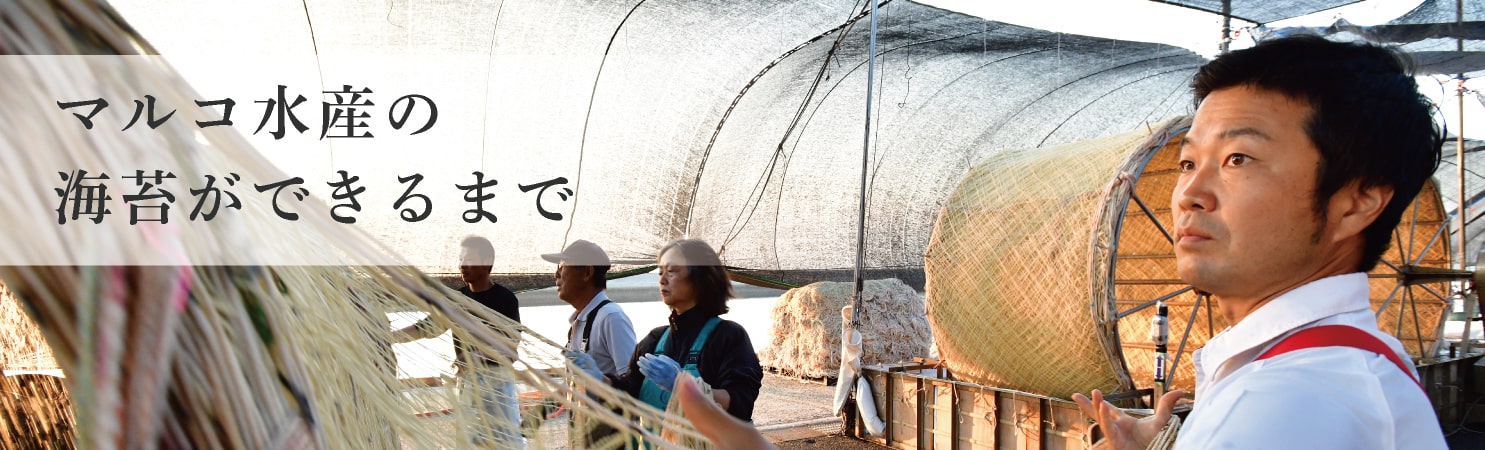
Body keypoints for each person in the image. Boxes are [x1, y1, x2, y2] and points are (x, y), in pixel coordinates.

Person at [1071, 35, 1446, 449]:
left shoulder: (1279, 404)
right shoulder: (1361, 362)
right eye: (1188, 162)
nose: (1189, 194)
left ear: (1355, 205)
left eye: (1239, 158)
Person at [611, 239, 764, 424]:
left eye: (672, 271)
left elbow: (741, 401)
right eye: (660, 272)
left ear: (700, 277)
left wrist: (684, 386)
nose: (662, 279)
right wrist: (598, 380)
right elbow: (628, 391)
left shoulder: (728, 336)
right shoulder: (654, 340)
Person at [392, 235, 524, 448]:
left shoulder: (505, 299)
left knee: (504, 443)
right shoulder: (456, 300)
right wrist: (388, 337)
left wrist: (477, 356)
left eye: (469, 260)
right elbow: (427, 327)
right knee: (469, 443)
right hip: (468, 385)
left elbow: (511, 350)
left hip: (497, 386)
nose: (462, 266)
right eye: (461, 260)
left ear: (487, 263)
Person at [542, 239, 637, 449]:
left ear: (587, 273)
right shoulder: (579, 322)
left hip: (612, 440)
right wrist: (541, 410)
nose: (556, 275)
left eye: (562, 266)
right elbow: (575, 383)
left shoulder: (611, 318)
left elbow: (633, 385)